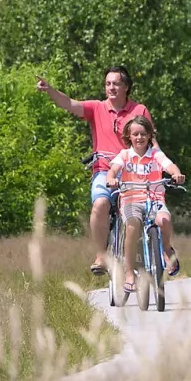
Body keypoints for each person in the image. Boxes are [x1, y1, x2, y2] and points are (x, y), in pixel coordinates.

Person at [37, 66, 153, 275]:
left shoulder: (139, 111)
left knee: (144, 211)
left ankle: (146, 252)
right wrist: (50, 90)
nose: (111, 88)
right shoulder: (97, 108)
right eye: (108, 84)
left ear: (126, 87)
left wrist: (159, 164)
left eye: (116, 83)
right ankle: (101, 255)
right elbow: (70, 104)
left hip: (133, 171)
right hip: (104, 170)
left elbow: (151, 141)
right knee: (100, 203)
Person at [106, 115, 184, 291]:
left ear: (149, 135)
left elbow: (169, 166)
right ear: (129, 137)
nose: (139, 138)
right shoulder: (125, 155)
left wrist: (176, 174)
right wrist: (111, 179)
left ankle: (166, 249)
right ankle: (129, 274)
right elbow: (113, 170)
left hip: (154, 198)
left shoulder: (156, 154)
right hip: (131, 199)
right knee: (132, 226)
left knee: (164, 220)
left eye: (143, 134)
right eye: (135, 134)